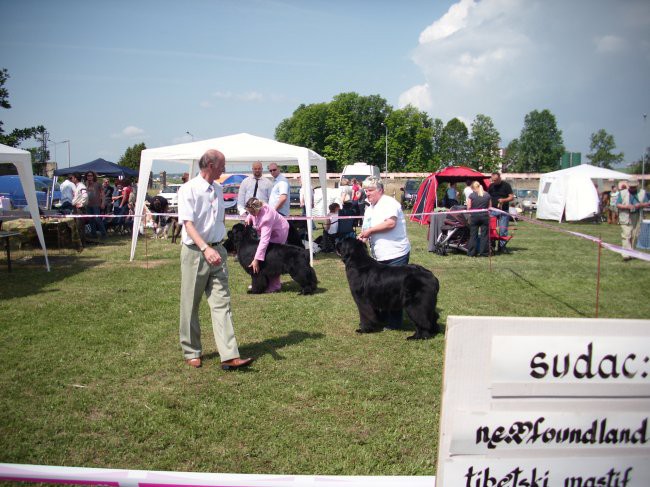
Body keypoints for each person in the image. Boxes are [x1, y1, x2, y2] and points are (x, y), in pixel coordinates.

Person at [177, 149, 254, 370]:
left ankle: (229, 355)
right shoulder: (188, 189)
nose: (225, 169)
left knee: (222, 303)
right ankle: (191, 351)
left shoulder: (218, 189)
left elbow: (218, 219)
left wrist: (219, 247)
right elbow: (188, 223)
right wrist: (204, 248)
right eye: (222, 165)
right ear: (211, 165)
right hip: (195, 252)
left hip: (217, 252)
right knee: (190, 304)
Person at [359, 177, 411, 330]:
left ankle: (395, 323)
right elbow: (367, 227)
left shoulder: (389, 203)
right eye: (365, 191)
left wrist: (369, 231)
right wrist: (363, 235)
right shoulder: (370, 208)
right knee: (381, 289)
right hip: (378, 256)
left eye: (370, 190)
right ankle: (382, 318)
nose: (367, 193)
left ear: (380, 190)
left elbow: (390, 223)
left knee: (395, 290)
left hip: (395, 253)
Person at [244, 197, 289, 293]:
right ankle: (261, 282)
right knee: (263, 256)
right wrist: (249, 216)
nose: (251, 214)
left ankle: (275, 286)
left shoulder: (266, 218)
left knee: (272, 258)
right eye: (249, 212)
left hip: (279, 232)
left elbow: (264, 240)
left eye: (252, 212)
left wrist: (256, 259)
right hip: (269, 232)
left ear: (257, 209)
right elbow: (252, 214)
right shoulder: (256, 207)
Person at [616, 176, 649, 261]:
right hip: (625, 215)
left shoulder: (643, 193)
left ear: (637, 185)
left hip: (637, 216)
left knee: (635, 235)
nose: (633, 188)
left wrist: (641, 205)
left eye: (634, 187)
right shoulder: (622, 193)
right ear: (628, 185)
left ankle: (632, 252)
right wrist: (626, 206)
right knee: (626, 235)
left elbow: (647, 203)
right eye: (631, 187)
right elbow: (618, 204)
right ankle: (626, 255)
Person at [488, 172, 514, 253]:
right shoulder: (491, 186)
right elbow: (488, 197)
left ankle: (502, 247)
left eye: (495, 180)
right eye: (493, 180)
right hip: (492, 210)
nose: (494, 182)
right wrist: (489, 207)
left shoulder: (506, 185)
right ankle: (491, 246)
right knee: (491, 229)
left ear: (499, 178)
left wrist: (503, 200)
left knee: (503, 230)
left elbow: (511, 197)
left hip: (503, 211)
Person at [466, 181, 491, 257]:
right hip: (485, 217)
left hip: (474, 217)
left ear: (473, 188)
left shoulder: (471, 195)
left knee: (473, 235)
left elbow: (469, 207)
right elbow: (490, 207)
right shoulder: (487, 195)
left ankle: (472, 253)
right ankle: (484, 253)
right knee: (484, 235)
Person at [85, 171, 106, 239]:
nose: (89, 177)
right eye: (88, 175)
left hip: (96, 205)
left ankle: (104, 234)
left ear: (93, 176)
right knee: (91, 220)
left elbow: (103, 194)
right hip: (88, 205)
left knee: (97, 219)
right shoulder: (85, 184)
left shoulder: (98, 184)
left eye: (91, 175)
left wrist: (103, 203)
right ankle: (93, 234)